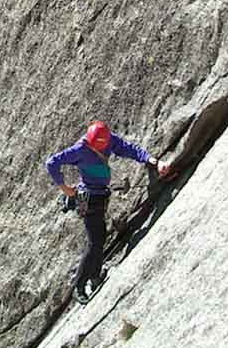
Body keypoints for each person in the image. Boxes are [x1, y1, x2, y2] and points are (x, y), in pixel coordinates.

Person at [46, 120, 172, 305]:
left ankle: (95, 276)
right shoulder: (79, 149)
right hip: (87, 198)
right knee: (94, 242)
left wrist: (150, 160)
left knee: (100, 237)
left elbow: (127, 148)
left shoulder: (107, 139)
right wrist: (65, 188)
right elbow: (52, 163)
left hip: (99, 196)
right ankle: (78, 287)